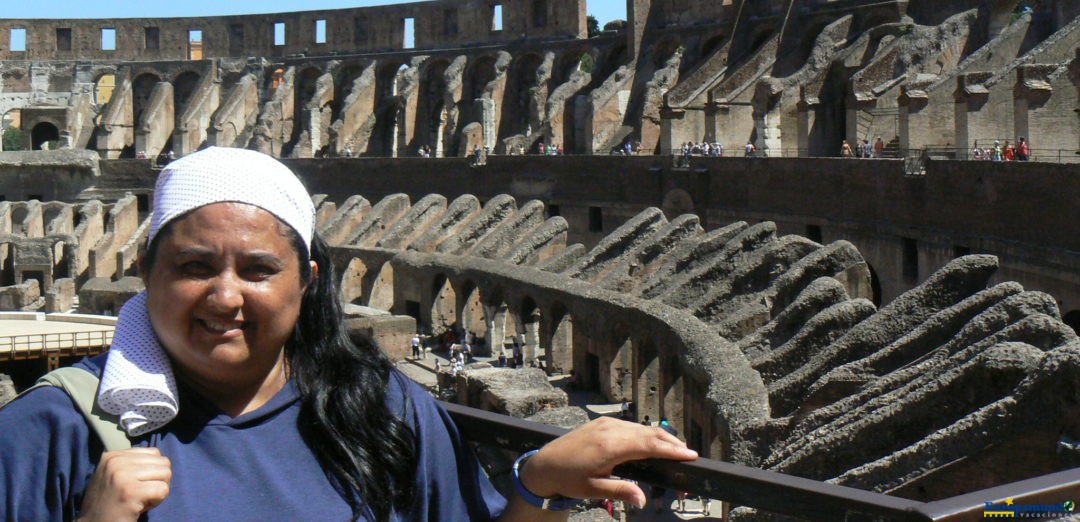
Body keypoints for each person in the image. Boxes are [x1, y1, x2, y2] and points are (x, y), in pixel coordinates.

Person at [0, 147, 697, 521]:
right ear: (146, 271)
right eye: (193, 266)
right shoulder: (52, 431)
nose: (224, 294)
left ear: (306, 280)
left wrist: (541, 484)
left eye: (259, 269)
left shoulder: (380, 408)